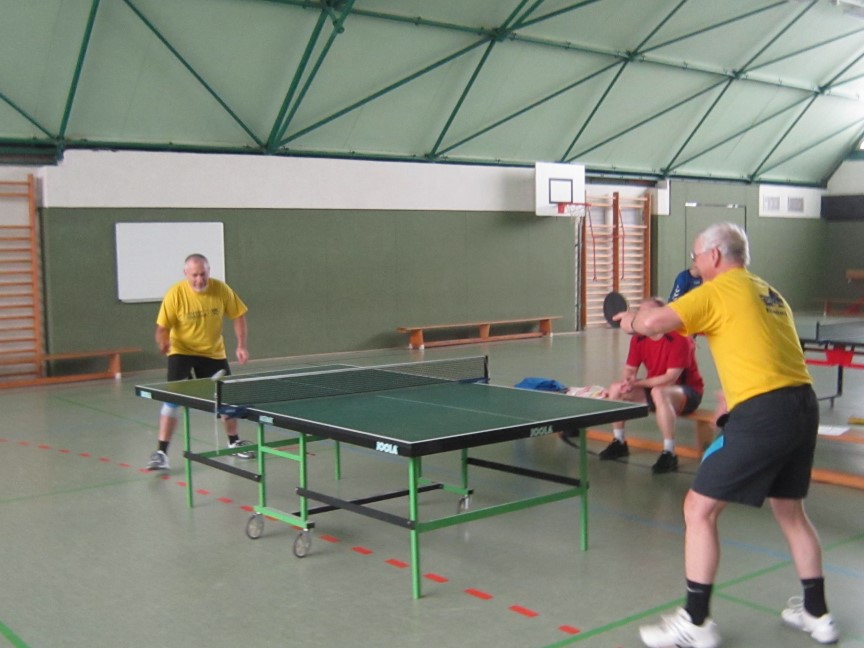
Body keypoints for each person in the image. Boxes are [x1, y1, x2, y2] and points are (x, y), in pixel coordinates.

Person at [615, 223, 837, 647]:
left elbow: (656, 321)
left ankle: (695, 622)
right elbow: (763, 350)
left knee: (698, 509)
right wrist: (734, 401)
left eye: (696, 256)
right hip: (802, 406)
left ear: (715, 255)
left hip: (765, 412)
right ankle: (817, 613)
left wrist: (631, 320)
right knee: (790, 512)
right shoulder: (770, 294)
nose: (695, 264)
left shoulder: (717, 290)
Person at [146, 253, 253, 471]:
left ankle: (234, 442)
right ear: (186, 273)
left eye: (203, 274)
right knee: (172, 400)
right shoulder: (175, 293)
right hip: (181, 351)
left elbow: (238, 316)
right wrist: (163, 341)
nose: (199, 279)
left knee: (226, 398)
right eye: (194, 275)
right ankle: (161, 453)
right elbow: (162, 328)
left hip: (212, 352)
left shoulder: (221, 290)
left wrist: (241, 345)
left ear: (208, 271)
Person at [598, 297, 704, 474]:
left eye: (648, 312)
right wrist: (627, 381)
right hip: (655, 389)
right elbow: (630, 369)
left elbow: (670, 378)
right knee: (616, 388)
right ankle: (619, 441)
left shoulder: (679, 338)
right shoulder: (639, 338)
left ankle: (669, 452)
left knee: (659, 392)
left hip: (687, 393)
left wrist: (638, 383)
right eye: (640, 312)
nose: (642, 316)